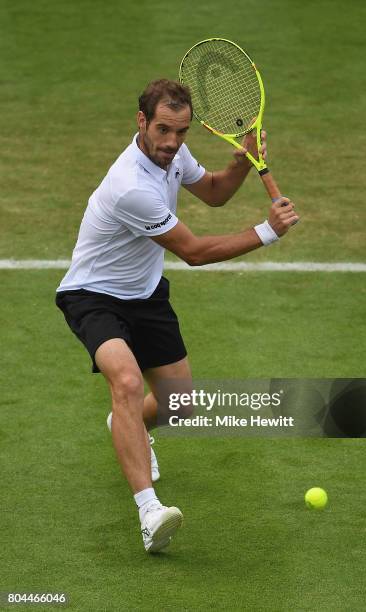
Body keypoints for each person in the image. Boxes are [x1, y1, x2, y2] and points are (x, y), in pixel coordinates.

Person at [55, 79, 299, 554]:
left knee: (179, 404)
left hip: (145, 295)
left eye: (181, 133)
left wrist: (239, 163)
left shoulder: (171, 156)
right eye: (163, 130)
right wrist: (267, 232)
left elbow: (212, 193)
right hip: (93, 296)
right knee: (126, 382)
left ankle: (126, 425)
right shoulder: (131, 186)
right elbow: (193, 252)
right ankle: (150, 512)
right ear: (141, 122)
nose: (171, 143)